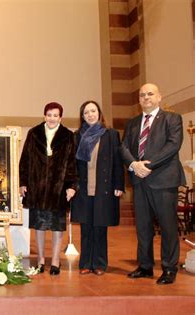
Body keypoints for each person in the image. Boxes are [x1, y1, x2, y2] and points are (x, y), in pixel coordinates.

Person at [121, 83, 185, 285]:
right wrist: (133, 164)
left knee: (167, 226)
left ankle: (169, 268)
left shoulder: (172, 119)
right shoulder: (132, 123)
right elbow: (123, 147)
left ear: (159, 97)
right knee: (143, 227)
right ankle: (145, 266)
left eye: (150, 94)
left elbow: (173, 145)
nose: (146, 97)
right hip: (140, 182)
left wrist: (149, 165)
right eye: (142, 95)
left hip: (163, 180)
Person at [19, 102, 77, 275]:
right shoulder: (33, 133)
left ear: (60, 117)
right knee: (39, 226)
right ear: (44, 116)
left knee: (58, 227)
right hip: (36, 187)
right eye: (49, 115)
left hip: (58, 188)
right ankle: (41, 260)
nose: (52, 118)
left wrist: (72, 186)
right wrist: (23, 183)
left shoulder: (68, 135)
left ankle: (56, 261)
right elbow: (25, 160)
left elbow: (72, 163)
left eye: (55, 115)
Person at [71, 101, 124, 275]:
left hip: (104, 188)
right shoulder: (77, 136)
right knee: (86, 228)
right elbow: (72, 165)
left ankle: (100, 264)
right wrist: (72, 186)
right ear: (82, 116)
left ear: (99, 113)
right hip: (84, 189)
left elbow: (118, 161)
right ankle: (85, 263)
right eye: (86, 113)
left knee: (101, 227)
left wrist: (119, 184)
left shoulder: (111, 134)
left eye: (93, 111)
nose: (90, 115)